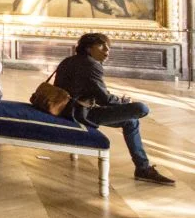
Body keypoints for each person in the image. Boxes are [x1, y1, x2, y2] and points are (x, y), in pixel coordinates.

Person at [55, 33, 174, 185]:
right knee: (141, 108)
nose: (107, 50)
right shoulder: (91, 65)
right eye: (101, 46)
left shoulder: (69, 60)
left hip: (65, 108)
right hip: (78, 114)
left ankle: (143, 168)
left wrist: (116, 101)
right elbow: (104, 99)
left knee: (131, 122)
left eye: (108, 46)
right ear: (88, 48)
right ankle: (143, 169)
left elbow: (93, 93)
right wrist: (123, 102)